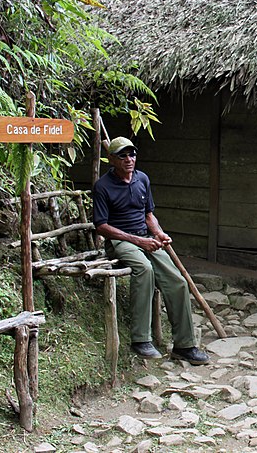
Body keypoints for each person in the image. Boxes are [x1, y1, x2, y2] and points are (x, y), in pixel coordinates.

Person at [93, 136, 209, 365]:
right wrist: (137, 241)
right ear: (112, 159)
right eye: (123, 155)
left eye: (132, 154)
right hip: (121, 241)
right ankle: (140, 339)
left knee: (178, 281)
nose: (129, 159)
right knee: (144, 269)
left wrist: (158, 232)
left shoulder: (142, 179)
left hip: (146, 238)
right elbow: (102, 226)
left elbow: (148, 215)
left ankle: (185, 345)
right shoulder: (103, 186)